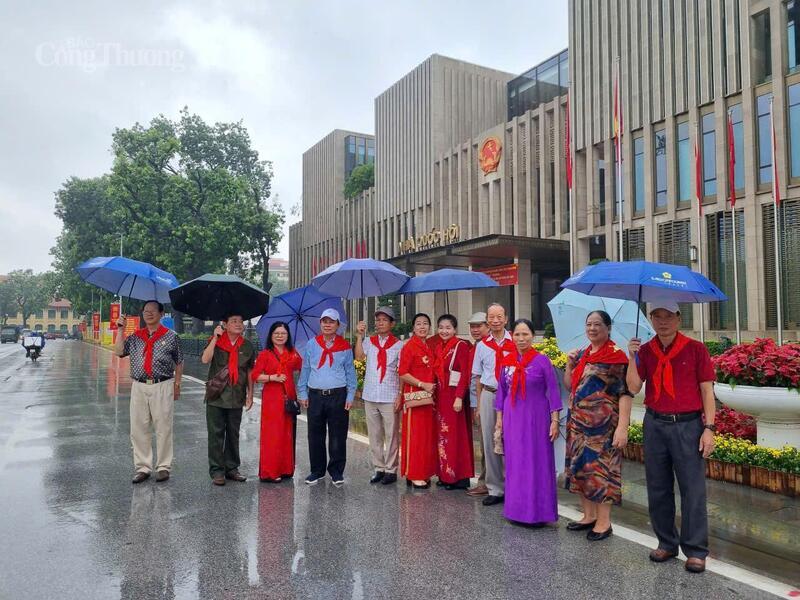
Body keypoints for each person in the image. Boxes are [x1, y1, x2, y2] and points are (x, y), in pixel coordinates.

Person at [626, 300, 717, 574]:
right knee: (658, 486)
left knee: (693, 489)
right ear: (651, 319)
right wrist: (631, 357)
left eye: (669, 316)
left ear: (678, 318)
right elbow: (632, 386)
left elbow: (707, 391)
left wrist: (709, 429)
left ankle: (696, 550)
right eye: (657, 316)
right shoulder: (645, 350)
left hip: (688, 426)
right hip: (655, 424)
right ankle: (666, 542)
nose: (663, 322)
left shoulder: (696, 349)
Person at [562, 310, 633, 541]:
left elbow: (625, 393)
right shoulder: (582, 354)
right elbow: (569, 386)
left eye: (598, 324)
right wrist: (569, 365)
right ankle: (588, 515)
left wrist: (623, 426)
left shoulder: (615, 356)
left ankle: (604, 522)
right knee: (580, 469)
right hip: (578, 425)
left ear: (608, 328)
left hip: (602, 428)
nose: (592, 328)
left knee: (602, 473)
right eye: (589, 324)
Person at [495, 318, 561, 525]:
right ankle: (516, 511)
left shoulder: (542, 361)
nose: (521, 338)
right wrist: (499, 421)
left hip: (537, 419)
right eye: (517, 334)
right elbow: (501, 393)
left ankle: (539, 513)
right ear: (511, 336)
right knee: (516, 463)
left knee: (536, 462)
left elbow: (553, 391)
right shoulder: (506, 361)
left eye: (525, 334)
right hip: (513, 418)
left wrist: (555, 420)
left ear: (533, 336)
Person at [113, 301, 184, 484]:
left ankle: (163, 467)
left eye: (153, 311)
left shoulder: (171, 337)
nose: (149, 314)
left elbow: (179, 361)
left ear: (161, 314)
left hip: (163, 384)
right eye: (146, 311)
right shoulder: (136, 337)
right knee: (138, 428)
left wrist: (177, 384)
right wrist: (120, 329)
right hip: (139, 385)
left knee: (163, 427)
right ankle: (143, 467)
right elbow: (119, 352)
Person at [297, 308, 357, 486]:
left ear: (338, 325)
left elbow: (350, 373)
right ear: (320, 323)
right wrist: (302, 392)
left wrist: (350, 395)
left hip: (338, 395)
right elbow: (306, 369)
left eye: (331, 321)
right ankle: (317, 470)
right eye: (324, 321)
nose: (327, 324)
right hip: (315, 395)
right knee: (315, 434)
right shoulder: (311, 344)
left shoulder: (345, 346)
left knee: (338, 435)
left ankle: (336, 471)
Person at [201, 313, 256, 486]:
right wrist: (215, 338)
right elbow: (205, 359)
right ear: (225, 324)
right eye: (234, 321)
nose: (238, 324)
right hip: (216, 395)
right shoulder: (216, 340)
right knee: (216, 434)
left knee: (233, 433)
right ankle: (217, 470)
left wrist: (250, 394)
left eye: (240, 321)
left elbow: (249, 372)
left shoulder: (247, 346)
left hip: (236, 395)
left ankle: (232, 468)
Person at [471, 303, 515, 506]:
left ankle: (514, 486)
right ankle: (495, 488)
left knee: (512, 441)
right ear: (487, 321)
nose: (495, 321)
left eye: (499, 317)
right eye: (492, 317)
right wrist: (478, 405)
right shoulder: (481, 346)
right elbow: (478, 378)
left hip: (513, 396)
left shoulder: (515, 341)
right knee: (489, 442)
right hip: (490, 394)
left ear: (506, 319)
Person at [355, 306, 403, 485]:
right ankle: (379, 468)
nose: (380, 323)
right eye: (377, 320)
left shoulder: (399, 345)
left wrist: (400, 394)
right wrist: (359, 336)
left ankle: (391, 469)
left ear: (392, 323)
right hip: (371, 394)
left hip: (390, 395)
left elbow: (401, 371)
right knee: (374, 434)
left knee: (391, 435)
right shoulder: (369, 341)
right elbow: (359, 357)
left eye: (384, 320)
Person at [251, 321, 303, 482]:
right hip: (272, 397)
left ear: (288, 336)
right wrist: (272, 377)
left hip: (289, 396)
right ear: (271, 336)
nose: (280, 336)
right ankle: (270, 472)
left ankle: (286, 469)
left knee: (287, 433)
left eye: (283, 333)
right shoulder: (265, 354)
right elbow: (255, 376)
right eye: (277, 333)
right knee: (272, 434)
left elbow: (302, 367)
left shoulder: (293, 353)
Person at [430, 314, 473, 489]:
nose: (444, 331)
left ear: (455, 329)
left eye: (448, 328)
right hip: (441, 396)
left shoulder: (460, 346)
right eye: (441, 327)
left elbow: (464, 374)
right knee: (442, 437)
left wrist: (459, 397)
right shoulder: (439, 347)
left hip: (454, 397)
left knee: (455, 436)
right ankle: (445, 474)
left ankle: (458, 477)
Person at [397, 313, 438, 489]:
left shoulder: (428, 345)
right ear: (413, 328)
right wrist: (422, 384)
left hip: (428, 398)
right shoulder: (409, 346)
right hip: (416, 397)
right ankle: (413, 474)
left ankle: (423, 471)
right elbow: (403, 373)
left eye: (425, 324)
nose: (422, 327)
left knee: (426, 437)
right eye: (418, 324)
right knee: (414, 436)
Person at [466, 312, 490, 496]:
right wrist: (475, 404)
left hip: (495, 399)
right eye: (472, 326)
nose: (475, 329)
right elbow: (474, 378)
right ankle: (485, 482)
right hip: (480, 400)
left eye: (479, 326)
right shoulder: (475, 347)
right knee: (484, 443)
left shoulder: (492, 345)